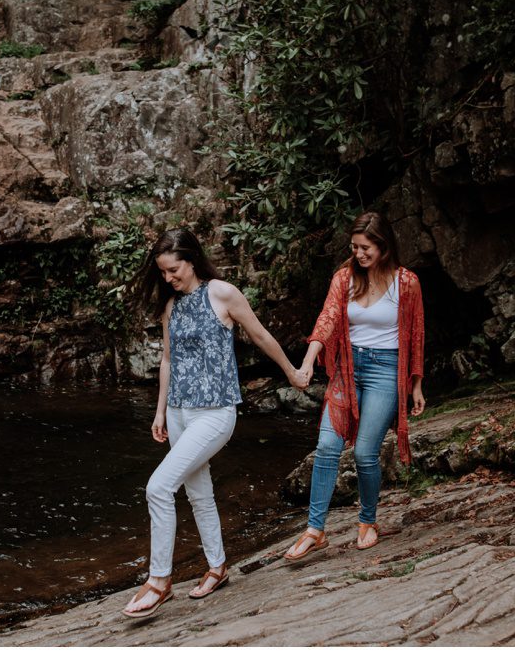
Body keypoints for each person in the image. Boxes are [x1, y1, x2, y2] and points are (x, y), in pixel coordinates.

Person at [122, 228, 307, 617]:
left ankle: (159, 581)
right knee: (198, 494)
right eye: (163, 273)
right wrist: (159, 412)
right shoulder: (172, 306)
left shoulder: (222, 293)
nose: (168, 278)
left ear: (191, 259)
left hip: (216, 412)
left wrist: (291, 371)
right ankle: (218, 567)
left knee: (158, 487)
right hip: (178, 411)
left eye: (173, 270)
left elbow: (259, 335)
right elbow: (168, 361)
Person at [284, 210, 426, 560]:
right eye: (355, 247)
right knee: (327, 446)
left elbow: (417, 334)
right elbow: (328, 318)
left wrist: (416, 384)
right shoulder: (344, 278)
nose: (359, 254)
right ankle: (315, 530)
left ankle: (368, 521)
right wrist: (305, 363)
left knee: (364, 453)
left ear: (383, 246)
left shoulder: (406, 282)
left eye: (366, 248)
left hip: (385, 371)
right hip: (348, 368)